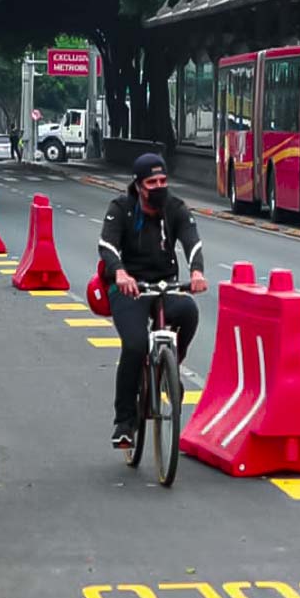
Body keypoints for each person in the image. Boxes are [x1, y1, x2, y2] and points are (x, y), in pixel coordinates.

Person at [98, 153, 208, 448]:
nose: (159, 186)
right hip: (129, 289)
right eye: (152, 182)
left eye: (163, 180)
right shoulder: (121, 208)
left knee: (189, 311)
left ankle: (170, 367)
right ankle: (124, 422)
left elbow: (192, 239)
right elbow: (106, 244)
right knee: (134, 345)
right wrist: (119, 273)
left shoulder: (174, 207)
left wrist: (196, 271)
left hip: (165, 285)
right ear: (138, 185)